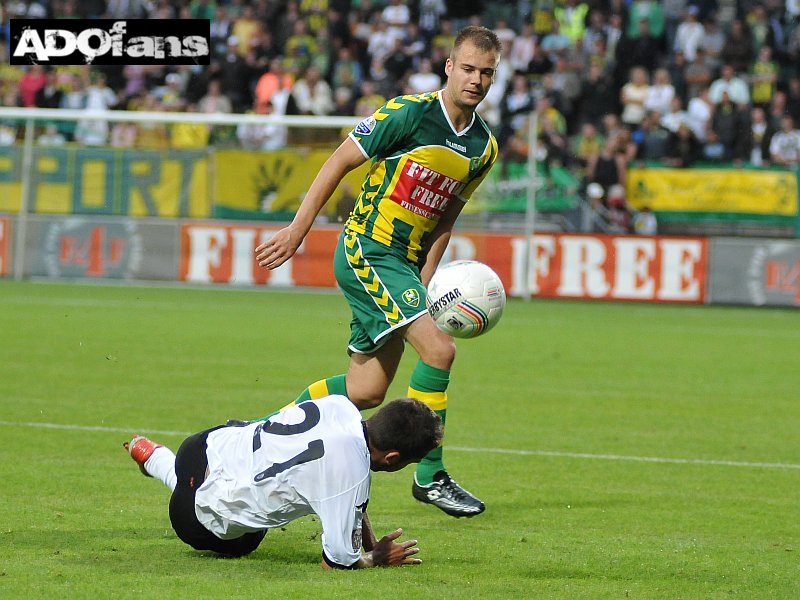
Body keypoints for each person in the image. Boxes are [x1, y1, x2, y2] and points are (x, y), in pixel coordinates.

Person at [254, 26, 502, 518]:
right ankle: (430, 477)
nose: (475, 80)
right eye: (468, 69)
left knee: (366, 390)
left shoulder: (483, 148)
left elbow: (446, 217)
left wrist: (426, 279)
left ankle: (274, 432)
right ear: (449, 67)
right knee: (439, 349)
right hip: (367, 248)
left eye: (486, 73)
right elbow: (338, 162)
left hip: (403, 265)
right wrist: (298, 231)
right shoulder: (408, 114)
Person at [123, 396, 443, 569]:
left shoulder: (340, 406)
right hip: (195, 514)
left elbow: (348, 478)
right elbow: (337, 562)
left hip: (206, 444)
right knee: (249, 540)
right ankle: (156, 460)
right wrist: (377, 556)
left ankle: (151, 453)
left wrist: (370, 538)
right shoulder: (350, 476)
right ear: (392, 457)